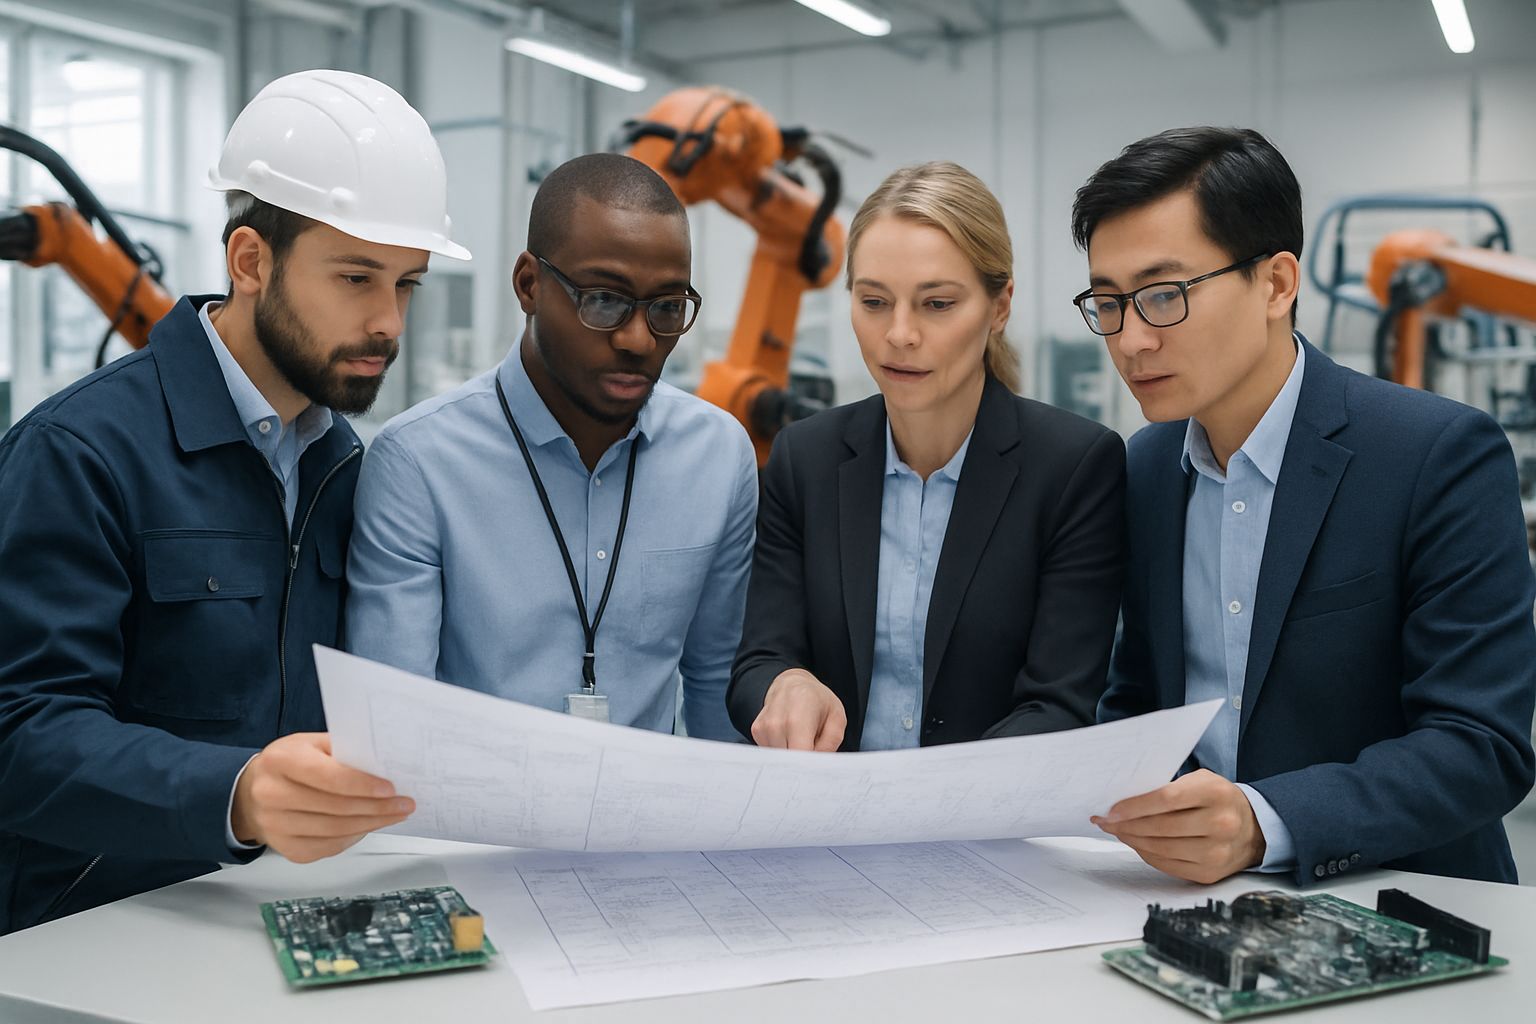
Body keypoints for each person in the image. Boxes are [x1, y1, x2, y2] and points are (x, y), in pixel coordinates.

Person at [0, 69, 470, 932]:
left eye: (406, 284)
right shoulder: (80, 453)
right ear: (251, 261)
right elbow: (20, 734)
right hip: (92, 930)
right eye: (357, 278)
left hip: (278, 913)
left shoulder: (341, 462)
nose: (390, 324)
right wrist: (237, 792)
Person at [1081, 126, 1536, 885]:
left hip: (1403, 902)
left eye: (1163, 297)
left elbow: (1478, 742)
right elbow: (1137, 697)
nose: (1131, 340)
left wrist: (1265, 823)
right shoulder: (1147, 469)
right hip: (1192, 903)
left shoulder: (1436, 455)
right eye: (1108, 302)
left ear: (1277, 283)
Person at [346, 153, 755, 741]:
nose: (639, 339)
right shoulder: (420, 464)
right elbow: (397, 720)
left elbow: (718, 680)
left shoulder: (718, 457)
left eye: (667, 308)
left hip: (651, 828)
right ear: (529, 285)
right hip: (473, 827)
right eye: (605, 301)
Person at [728, 161, 1126, 751]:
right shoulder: (803, 460)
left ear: (999, 307)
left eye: (937, 304)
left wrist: (929, 803)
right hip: (829, 821)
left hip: (992, 825)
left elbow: (1061, 703)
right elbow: (759, 661)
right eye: (874, 301)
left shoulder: (1073, 467)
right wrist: (785, 684)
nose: (900, 334)